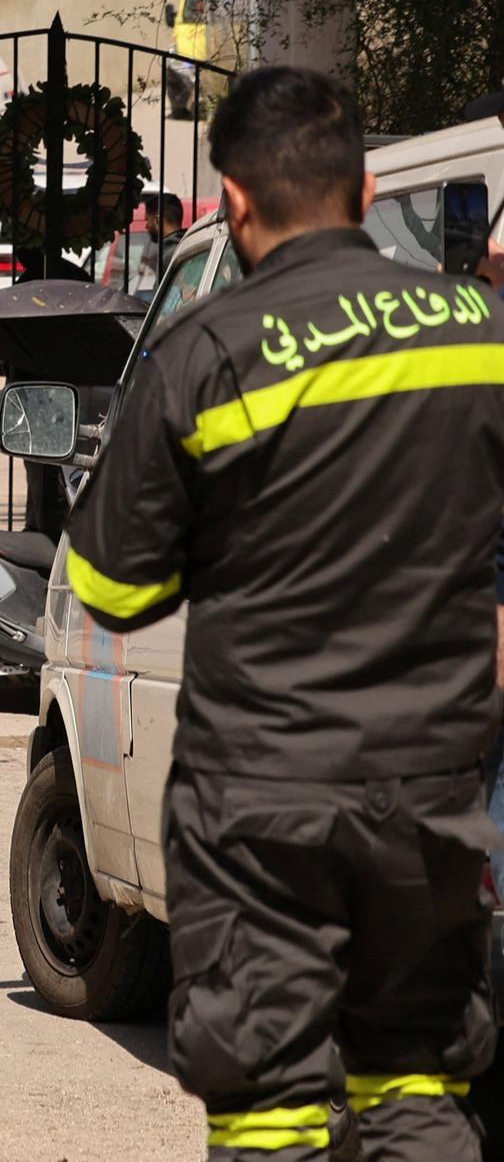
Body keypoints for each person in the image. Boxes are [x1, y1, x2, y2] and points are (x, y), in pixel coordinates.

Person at [65, 67, 503, 1161]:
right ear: (362, 194)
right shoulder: (480, 334)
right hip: (433, 790)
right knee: (415, 1081)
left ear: (232, 202)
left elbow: (112, 585)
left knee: (271, 1111)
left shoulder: (206, 354)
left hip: (263, 803)